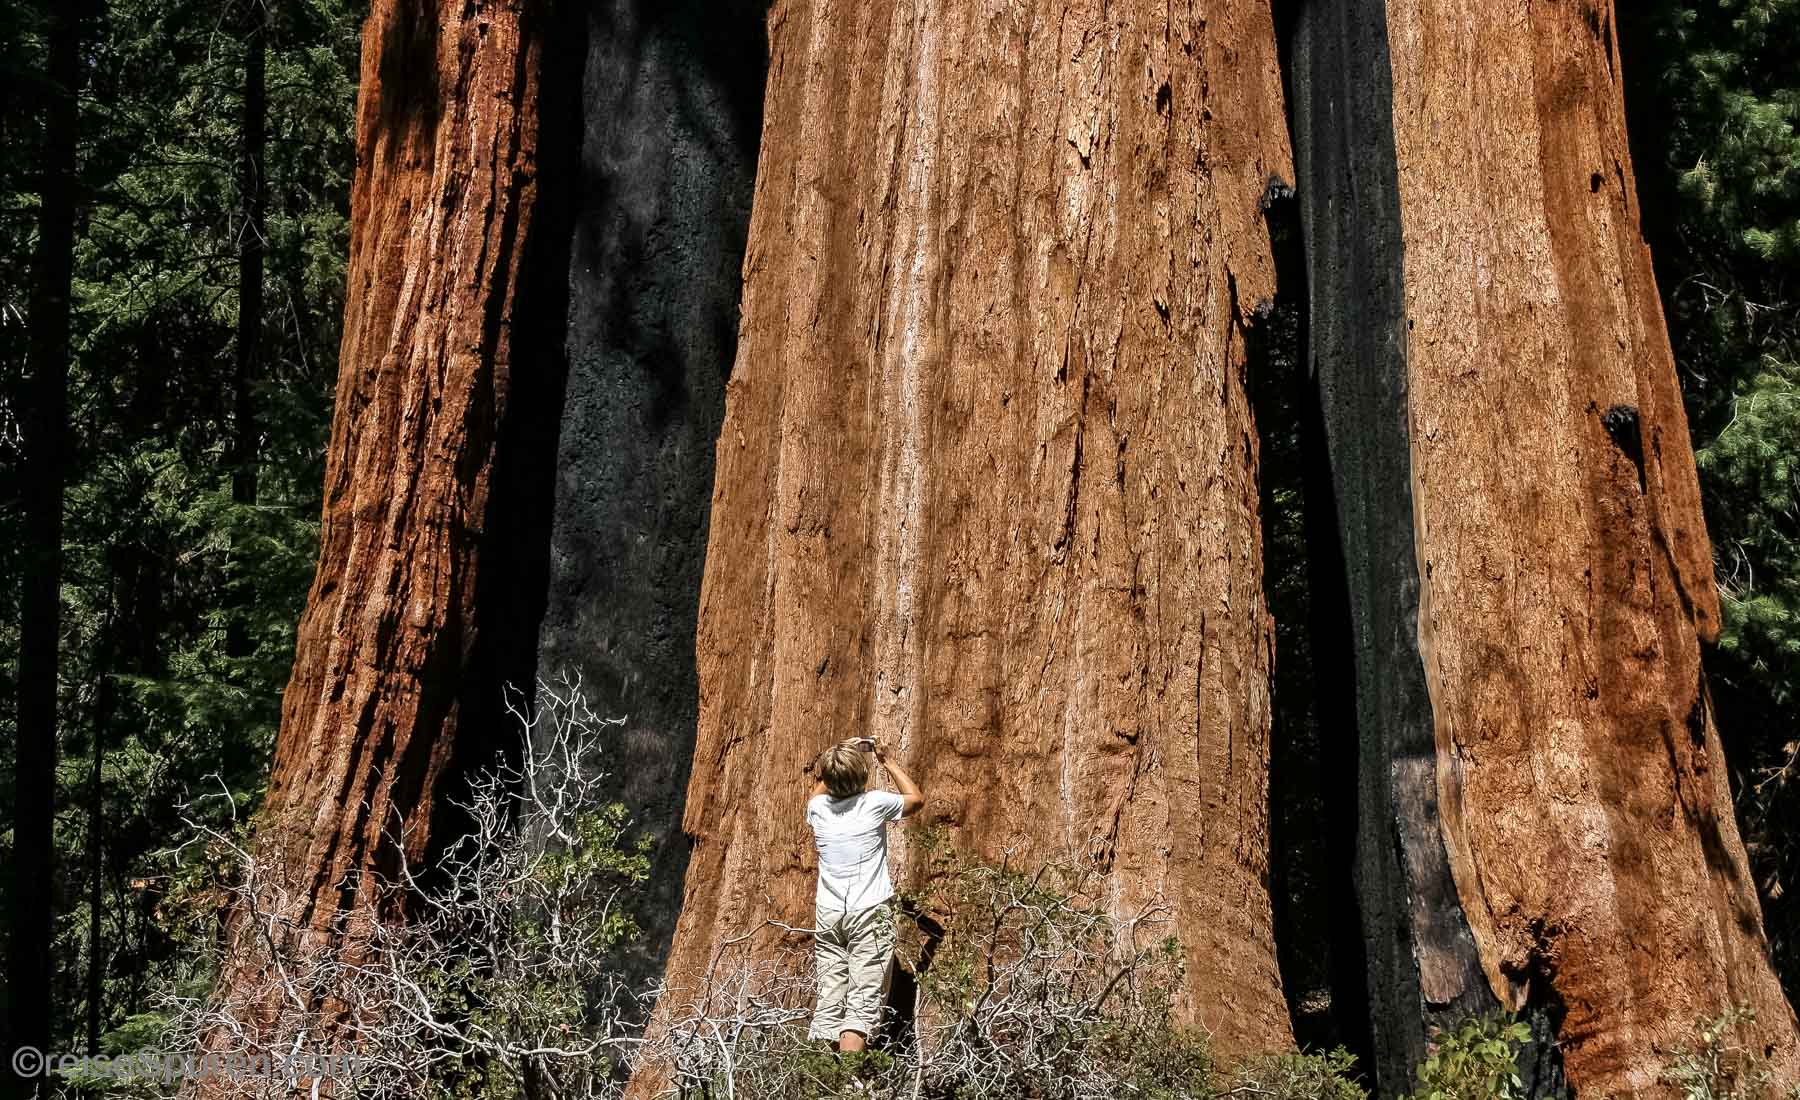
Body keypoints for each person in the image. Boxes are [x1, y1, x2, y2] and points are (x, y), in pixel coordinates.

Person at [805, 737, 925, 1052]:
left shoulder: (817, 808)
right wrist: (887, 760)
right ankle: (849, 1079)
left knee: (830, 999)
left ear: (827, 778)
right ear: (862, 775)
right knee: (862, 1004)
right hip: (869, 912)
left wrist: (835, 761)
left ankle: (824, 1074)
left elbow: (816, 793)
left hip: (829, 914)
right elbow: (915, 799)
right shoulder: (874, 803)